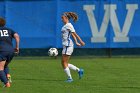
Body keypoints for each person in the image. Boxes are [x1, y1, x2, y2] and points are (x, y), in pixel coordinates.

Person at [61, 12, 85, 82]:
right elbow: (72, 35)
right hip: (66, 46)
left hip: (68, 46)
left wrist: (80, 41)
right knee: (64, 63)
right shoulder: (65, 26)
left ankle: (70, 78)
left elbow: (75, 34)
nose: (62, 19)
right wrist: (76, 42)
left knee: (64, 63)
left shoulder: (68, 25)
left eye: (62, 18)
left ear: (66, 18)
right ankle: (79, 70)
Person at [0, 17, 20, 87]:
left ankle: (6, 83)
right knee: (5, 65)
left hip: (2, 50)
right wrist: (17, 47)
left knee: (0, 68)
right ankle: (7, 76)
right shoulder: (9, 30)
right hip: (11, 50)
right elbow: (17, 36)